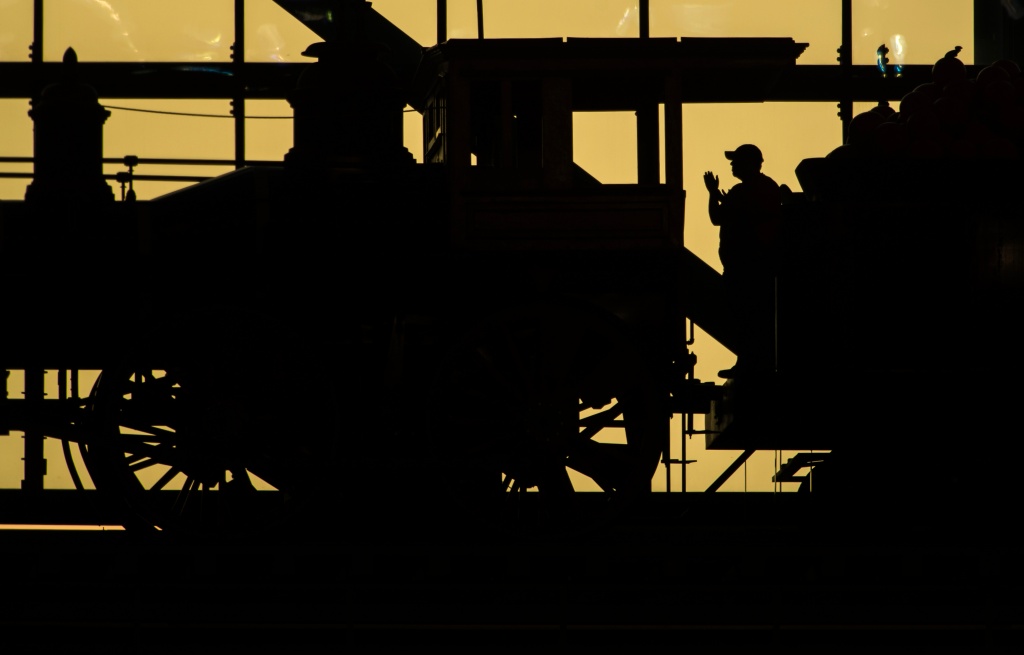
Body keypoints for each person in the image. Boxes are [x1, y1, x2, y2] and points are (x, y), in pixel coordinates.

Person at [703, 144, 782, 378]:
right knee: (757, 317)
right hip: (759, 267)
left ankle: (748, 364)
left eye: (735, 161)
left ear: (748, 164)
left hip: (744, 269)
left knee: (745, 317)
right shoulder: (767, 188)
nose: (732, 165)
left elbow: (717, 218)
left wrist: (712, 194)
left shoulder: (743, 191)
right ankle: (755, 363)